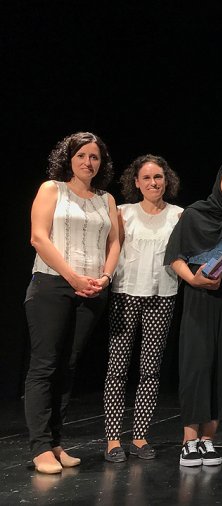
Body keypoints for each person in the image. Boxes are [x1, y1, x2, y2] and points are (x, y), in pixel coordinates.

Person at [25, 132, 120, 474]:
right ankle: (39, 447)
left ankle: (55, 443)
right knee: (46, 365)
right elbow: (39, 237)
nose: (87, 162)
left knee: (69, 365)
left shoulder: (106, 199)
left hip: (93, 288)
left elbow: (114, 244)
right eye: (81, 155)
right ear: (69, 158)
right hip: (52, 284)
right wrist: (73, 277)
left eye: (94, 157)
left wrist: (105, 278)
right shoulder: (53, 189)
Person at [164, 158, 222, 468]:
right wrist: (193, 279)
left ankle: (208, 439)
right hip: (200, 295)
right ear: (220, 177)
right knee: (196, 363)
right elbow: (175, 256)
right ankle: (189, 440)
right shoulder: (194, 213)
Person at [103, 155, 182, 463]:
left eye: (158, 177)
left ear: (167, 180)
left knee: (150, 369)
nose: (153, 183)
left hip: (162, 294)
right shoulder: (123, 213)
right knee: (118, 368)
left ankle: (139, 436)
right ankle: (112, 439)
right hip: (125, 293)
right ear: (136, 182)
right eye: (147, 178)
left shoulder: (178, 215)